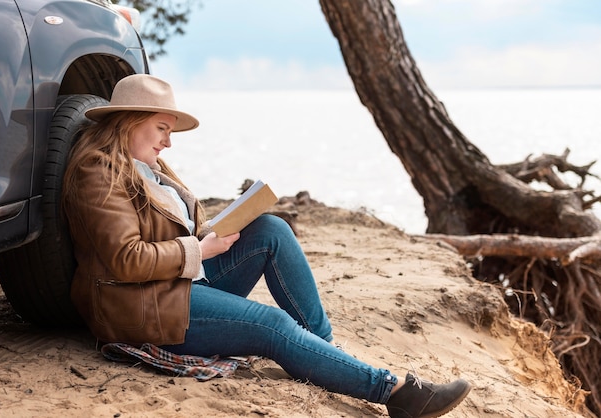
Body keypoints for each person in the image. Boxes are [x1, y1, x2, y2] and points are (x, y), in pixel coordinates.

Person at [61, 74, 471, 417]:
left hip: (178, 284)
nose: (169, 142)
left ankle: (324, 350)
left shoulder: (150, 168)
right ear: (130, 121)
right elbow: (125, 260)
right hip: (141, 305)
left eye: (169, 131)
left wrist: (213, 233)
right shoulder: (99, 172)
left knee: (270, 229)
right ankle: (395, 393)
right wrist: (199, 250)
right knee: (272, 326)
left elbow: (170, 229)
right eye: (162, 128)